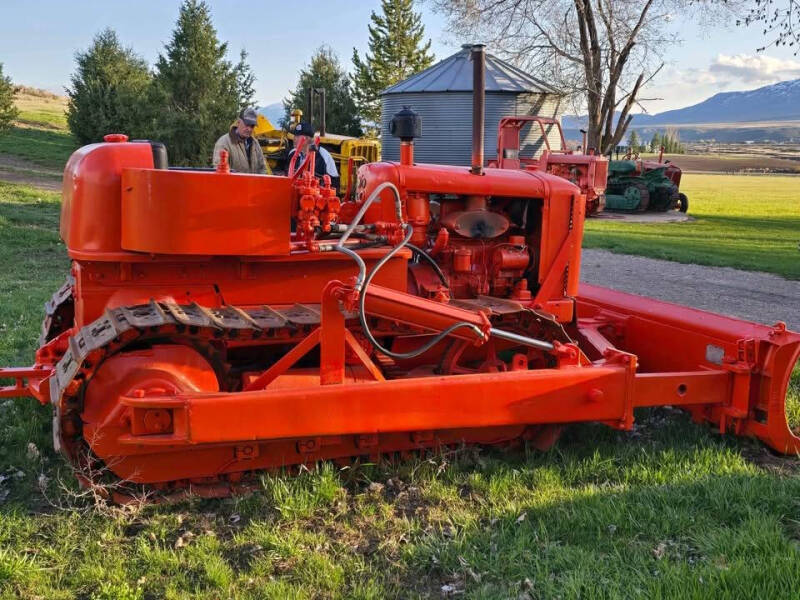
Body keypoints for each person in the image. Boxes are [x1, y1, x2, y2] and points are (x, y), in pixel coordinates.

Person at [212, 107, 267, 174]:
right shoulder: (224, 143)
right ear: (238, 122)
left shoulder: (255, 143)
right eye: (247, 124)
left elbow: (262, 169)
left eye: (252, 126)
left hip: (253, 181)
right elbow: (219, 172)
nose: (249, 129)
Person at [287, 121, 339, 189]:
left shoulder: (324, 155)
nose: (294, 139)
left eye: (297, 136)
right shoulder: (292, 153)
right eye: (294, 136)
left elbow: (334, 183)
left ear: (307, 138)